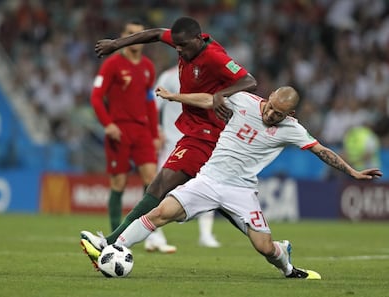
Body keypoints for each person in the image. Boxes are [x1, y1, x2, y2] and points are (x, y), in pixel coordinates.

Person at [83, 86, 382, 279]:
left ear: (289, 114)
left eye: (278, 114)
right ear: (267, 99)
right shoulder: (245, 101)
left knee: (264, 248)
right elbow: (210, 99)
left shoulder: (293, 129)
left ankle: (287, 266)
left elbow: (322, 151)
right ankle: (113, 249)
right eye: (269, 107)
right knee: (160, 212)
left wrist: (353, 173)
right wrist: (176, 97)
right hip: (208, 180)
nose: (269, 114)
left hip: (241, 191)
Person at [81, 16, 257, 268]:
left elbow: (249, 81)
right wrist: (116, 44)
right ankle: (273, 248)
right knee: (223, 205)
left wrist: (220, 95)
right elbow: (153, 33)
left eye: (183, 46)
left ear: (198, 39)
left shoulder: (215, 57)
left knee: (160, 184)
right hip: (195, 132)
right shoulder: (182, 42)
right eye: (176, 45)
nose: (179, 50)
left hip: (209, 135)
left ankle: (109, 242)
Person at [88, 19, 176, 254]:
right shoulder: (112, 64)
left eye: (139, 34)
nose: (135, 37)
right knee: (119, 183)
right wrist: (107, 125)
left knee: (152, 181)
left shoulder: (147, 67)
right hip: (119, 131)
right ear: (123, 35)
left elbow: (149, 100)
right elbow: (96, 97)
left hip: (142, 132)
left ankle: (151, 235)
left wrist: (155, 129)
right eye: (130, 33)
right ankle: (115, 237)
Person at [153, 65, 220, 248]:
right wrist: (156, 130)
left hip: (199, 141)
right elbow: (153, 106)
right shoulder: (167, 76)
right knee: (160, 187)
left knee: (207, 185)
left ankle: (206, 234)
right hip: (172, 142)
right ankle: (154, 234)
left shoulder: (208, 76)